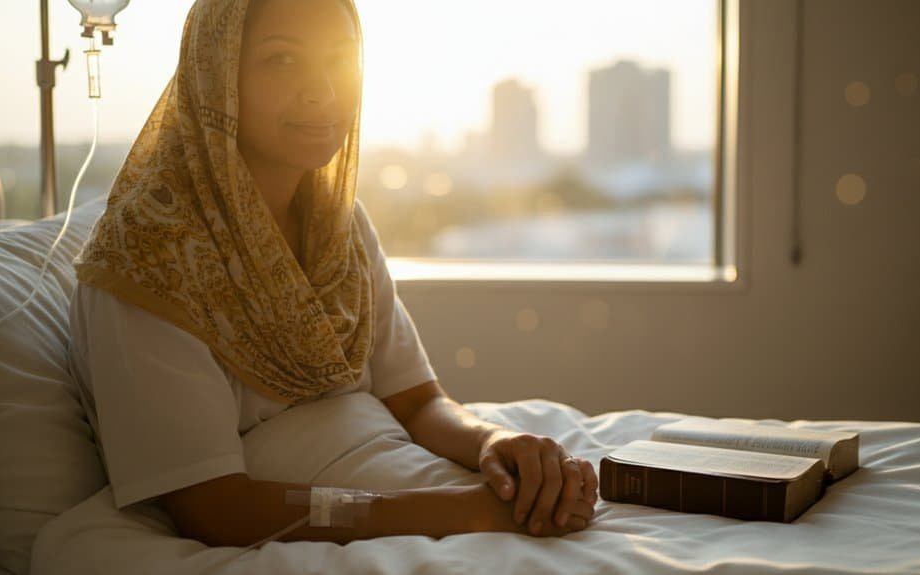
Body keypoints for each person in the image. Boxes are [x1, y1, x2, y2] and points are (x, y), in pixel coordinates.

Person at [68, 0, 597, 547]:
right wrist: (462, 513)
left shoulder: (336, 224)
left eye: (341, 60)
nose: (322, 90)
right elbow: (215, 509)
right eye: (282, 60)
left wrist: (495, 442)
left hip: (399, 477)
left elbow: (417, 401)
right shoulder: (150, 258)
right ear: (216, 76)